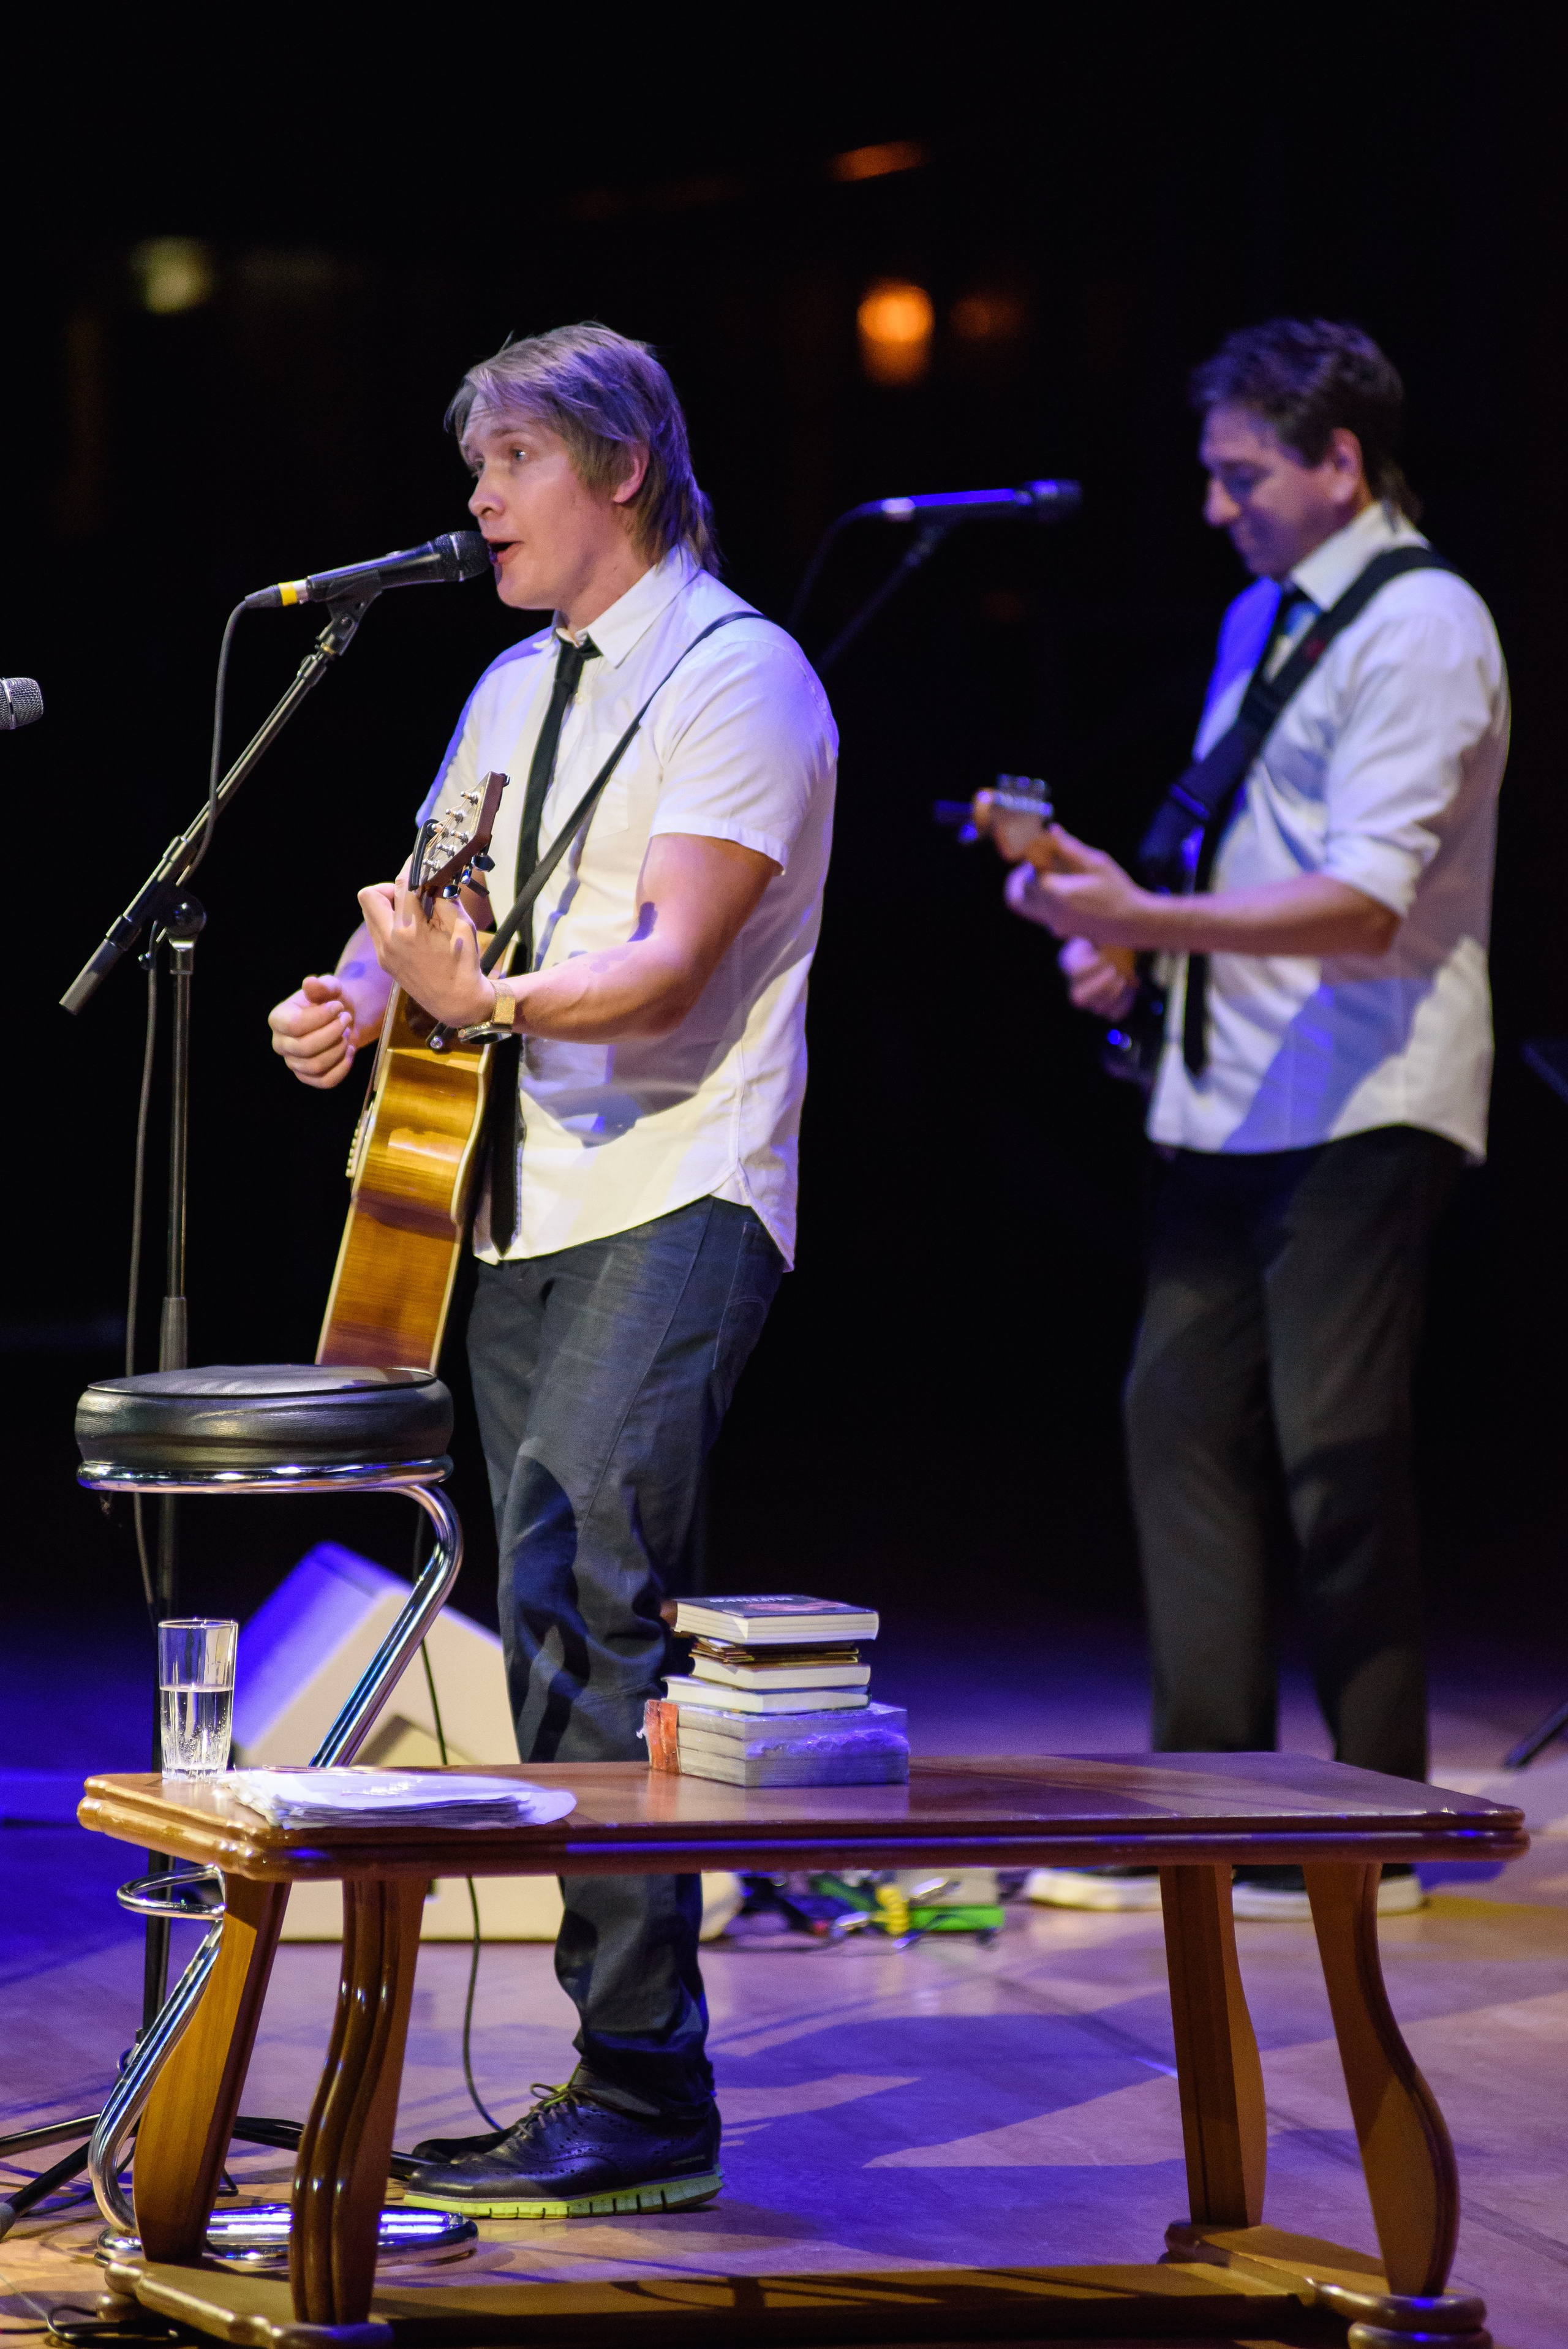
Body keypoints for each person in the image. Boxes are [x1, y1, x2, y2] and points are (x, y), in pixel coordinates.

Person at [268, 323, 837, 2209]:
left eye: (509, 461)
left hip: (680, 1182)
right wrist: (356, 999)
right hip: (518, 1196)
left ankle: (646, 2089)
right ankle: (623, 2078)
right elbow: (428, 898)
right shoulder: (514, 685)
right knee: (548, 1611)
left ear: (620, 471)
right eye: (477, 466)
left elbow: (671, 957)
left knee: (596, 1571)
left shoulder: (742, 677)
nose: (479, 500)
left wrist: (477, 998)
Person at [995, 319, 1508, 1922]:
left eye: (1243, 474)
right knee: (1178, 1421)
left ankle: (1372, 1821)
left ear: (1340, 461)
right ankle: (1207, 1805)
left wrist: (1153, 913)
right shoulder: (1261, 618)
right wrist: (1129, 938)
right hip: (1229, 1100)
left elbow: (1364, 903)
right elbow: (1254, 861)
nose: (1217, 506)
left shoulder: (1422, 626)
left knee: (1336, 1455)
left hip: (1363, 1091)